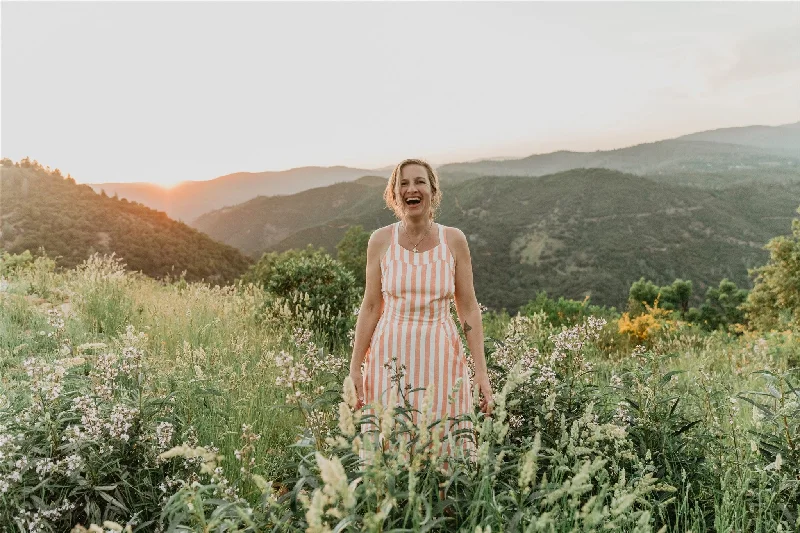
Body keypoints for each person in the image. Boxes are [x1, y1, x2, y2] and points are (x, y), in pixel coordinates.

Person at [348, 158, 494, 458]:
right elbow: (371, 306)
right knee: (388, 451)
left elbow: (468, 309)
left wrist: (481, 372)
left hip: (441, 360)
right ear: (393, 193)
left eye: (419, 182)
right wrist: (355, 368)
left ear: (432, 191)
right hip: (389, 362)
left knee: (444, 446)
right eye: (403, 183)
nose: (410, 189)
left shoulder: (453, 240)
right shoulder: (380, 241)